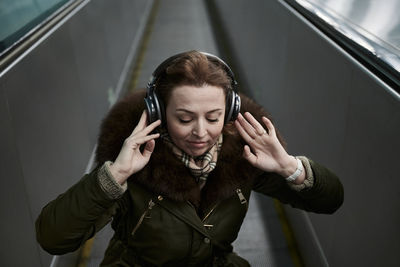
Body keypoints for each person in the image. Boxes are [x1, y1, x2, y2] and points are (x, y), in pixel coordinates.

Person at [36, 51, 343, 266]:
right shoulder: (131, 161)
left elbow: (330, 200)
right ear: (159, 112)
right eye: (184, 118)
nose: (201, 132)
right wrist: (113, 177)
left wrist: (289, 166)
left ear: (231, 111)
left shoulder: (243, 153)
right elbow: (53, 238)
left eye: (213, 117)